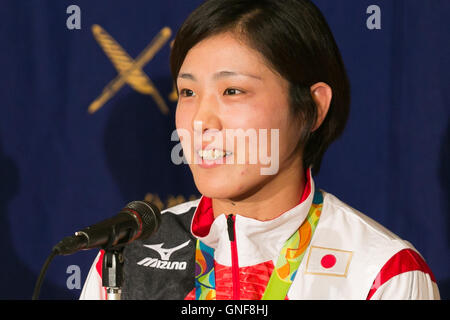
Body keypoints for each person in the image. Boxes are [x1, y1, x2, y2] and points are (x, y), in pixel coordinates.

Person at [80, 0, 440, 300]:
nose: (201, 121)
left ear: (312, 108)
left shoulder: (382, 274)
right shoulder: (126, 260)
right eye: (188, 93)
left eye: (232, 91)